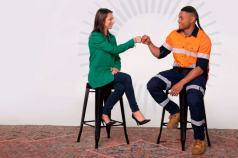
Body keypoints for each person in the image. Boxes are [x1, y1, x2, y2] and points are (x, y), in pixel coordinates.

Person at [143, 6, 211, 155]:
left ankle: (199, 139)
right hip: (176, 72)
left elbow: (200, 68)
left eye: (181, 18)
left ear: (192, 19)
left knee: (193, 99)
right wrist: (149, 43)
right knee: (152, 84)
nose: (178, 20)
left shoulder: (203, 38)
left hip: (196, 74)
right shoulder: (174, 34)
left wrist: (181, 83)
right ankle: (175, 111)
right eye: (178, 18)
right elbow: (160, 53)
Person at [88, 8, 150, 127]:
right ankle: (135, 111)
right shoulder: (95, 37)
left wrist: (116, 67)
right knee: (127, 78)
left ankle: (104, 113)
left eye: (113, 19)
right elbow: (114, 49)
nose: (113, 22)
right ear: (101, 20)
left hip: (108, 73)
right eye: (110, 19)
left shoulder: (112, 38)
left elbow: (116, 56)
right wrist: (133, 41)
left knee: (121, 86)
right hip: (98, 74)